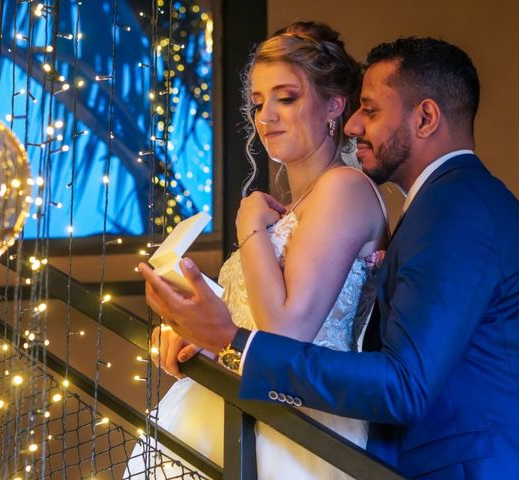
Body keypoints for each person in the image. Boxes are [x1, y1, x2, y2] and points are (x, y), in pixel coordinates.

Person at [140, 36, 519, 479]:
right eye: (258, 102)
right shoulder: (434, 207)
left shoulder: (457, 205)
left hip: (460, 465)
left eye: (371, 110)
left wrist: (233, 344)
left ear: (426, 118)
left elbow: (404, 384)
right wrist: (200, 338)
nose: (355, 125)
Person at [126, 22, 389, 479]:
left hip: (296, 427)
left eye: (286, 98)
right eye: (258, 102)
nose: (266, 115)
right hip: (231, 409)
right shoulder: (293, 207)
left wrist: (248, 225)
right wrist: (198, 338)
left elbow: (286, 333)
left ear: (334, 105)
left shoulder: (345, 189)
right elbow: (247, 329)